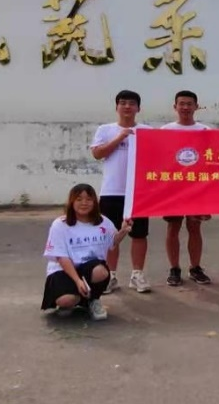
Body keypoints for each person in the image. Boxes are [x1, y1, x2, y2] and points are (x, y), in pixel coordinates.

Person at [90, 89, 152, 293]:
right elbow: (97, 154)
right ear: (117, 107)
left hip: (138, 192)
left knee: (139, 234)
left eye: (132, 103)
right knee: (111, 236)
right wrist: (120, 137)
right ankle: (111, 276)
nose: (127, 106)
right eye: (123, 102)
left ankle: (137, 275)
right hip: (111, 191)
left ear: (138, 108)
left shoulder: (147, 131)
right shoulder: (105, 130)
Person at [41, 184, 133, 321]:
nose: (84, 203)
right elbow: (61, 257)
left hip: (90, 268)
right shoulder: (60, 224)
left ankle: (93, 299)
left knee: (101, 272)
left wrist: (124, 231)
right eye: (79, 199)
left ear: (95, 202)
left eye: (89, 199)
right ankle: (74, 299)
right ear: (71, 202)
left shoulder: (103, 222)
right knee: (66, 300)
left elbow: (112, 242)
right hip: (64, 270)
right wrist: (78, 281)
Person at [160, 90, 212, 286]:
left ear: (196, 106)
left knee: (194, 227)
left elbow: (211, 160)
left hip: (197, 188)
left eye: (189, 104)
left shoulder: (205, 131)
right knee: (173, 227)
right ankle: (174, 269)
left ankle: (195, 267)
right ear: (175, 107)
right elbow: (159, 158)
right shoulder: (165, 130)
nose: (185, 107)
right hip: (173, 188)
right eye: (181, 104)